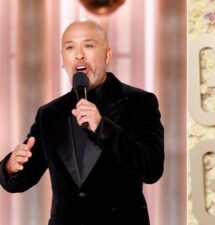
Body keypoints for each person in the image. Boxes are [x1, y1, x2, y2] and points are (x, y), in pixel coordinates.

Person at [0, 20, 164, 225]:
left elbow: (152, 168)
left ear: (107, 54)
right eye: (70, 47)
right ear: (63, 60)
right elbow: (22, 180)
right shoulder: (48, 114)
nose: (79, 54)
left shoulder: (139, 102)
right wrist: (11, 166)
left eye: (88, 45)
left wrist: (103, 127)